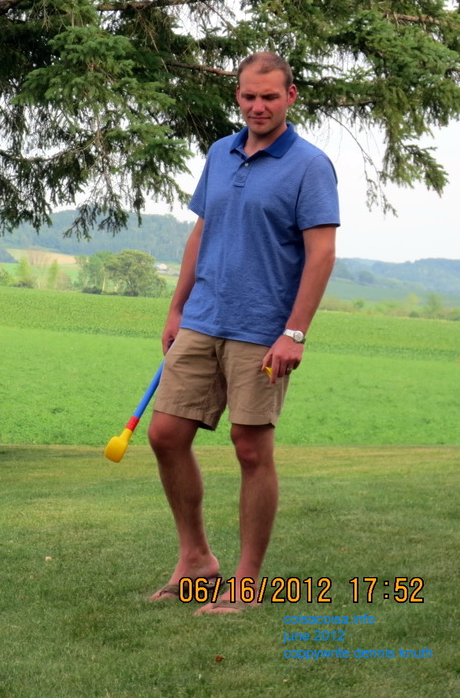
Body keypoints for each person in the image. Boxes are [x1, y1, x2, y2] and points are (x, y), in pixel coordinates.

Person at [146, 52, 339, 614]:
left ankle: (247, 581)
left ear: (291, 97)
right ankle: (197, 560)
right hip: (203, 319)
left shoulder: (309, 165)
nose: (258, 106)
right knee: (164, 435)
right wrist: (176, 308)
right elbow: (201, 233)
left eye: (270, 97)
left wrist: (295, 333)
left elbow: (321, 252)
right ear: (237, 95)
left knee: (251, 449)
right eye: (249, 96)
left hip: (263, 330)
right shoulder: (220, 152)